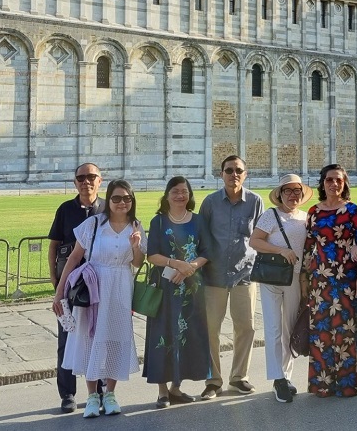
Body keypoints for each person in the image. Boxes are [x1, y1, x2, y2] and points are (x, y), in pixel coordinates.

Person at [52, 179, 145, 418]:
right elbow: (74, 259)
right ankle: (92, 395)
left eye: (126, 198)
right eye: (116, 198)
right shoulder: (93, 224)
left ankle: (110, 393)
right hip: (94, 286)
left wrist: (135, 246)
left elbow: (137, 263)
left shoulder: (135, 226)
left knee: (115, 337)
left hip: (121, 286)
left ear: (132, 201)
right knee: (90, 338)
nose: (121, 202)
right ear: (109, 199)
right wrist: (59, 291)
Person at [144, 176, 212, 408]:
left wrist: (190, 267)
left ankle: (176, 388)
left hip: (191, 288)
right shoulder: (159, 222)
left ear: (190, 195)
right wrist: (177, 264)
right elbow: (152, 255)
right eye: (175, 191)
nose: (180, 195)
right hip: (165, 287)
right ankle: (162, 390)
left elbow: (206, 251)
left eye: (184, 191)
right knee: (163, 335)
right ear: (167, 195)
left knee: (187, 336)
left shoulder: (199, 220)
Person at [199, 155, 263, 398]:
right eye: (229, 170)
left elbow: (259, 236)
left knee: (246, 327)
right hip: (213, 274)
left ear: (245, 174)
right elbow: (202, 238)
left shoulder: (255, 202)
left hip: (244, 274)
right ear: (221, 174)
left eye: (238, 170)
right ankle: (213, 380)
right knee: (210, 329)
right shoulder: (210, 202)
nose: (233, 174)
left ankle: (239, 377)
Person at [302, 164, 357, 397]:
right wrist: (304, 280)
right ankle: (324, 383)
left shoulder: (352, 210)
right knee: (321, 331)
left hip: (347, 279)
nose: (334, 184)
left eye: (338, 180)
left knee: (346, 330)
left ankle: (348, 383)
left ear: (344, 183)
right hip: (320, 280)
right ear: (323, 183)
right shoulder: (313, 212)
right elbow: (309, 247)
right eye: (329, 180)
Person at [46, 163, 104, 413]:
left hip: (98, 285)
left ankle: (100, 391)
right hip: (70, 285)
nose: (86, 182)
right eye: (81, 178)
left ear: (100, 181)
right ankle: (67, 394)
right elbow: (54, 246)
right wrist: (55, 280)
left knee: (96, 336)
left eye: (91, 177)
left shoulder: (107, 209)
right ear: (75, 183)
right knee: (66, 338)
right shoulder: (65, 209)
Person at [250, 174, 312, 403]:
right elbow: (254, 241)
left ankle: (286, 375)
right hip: (272, 277)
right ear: (280, 194)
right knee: (274, 327)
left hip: (295, 278)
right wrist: (280, 251)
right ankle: (277, 378)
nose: (293, 195)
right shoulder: (271, 215)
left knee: (289, 328)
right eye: (288, 191)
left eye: (297, 191)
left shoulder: (306, 218)